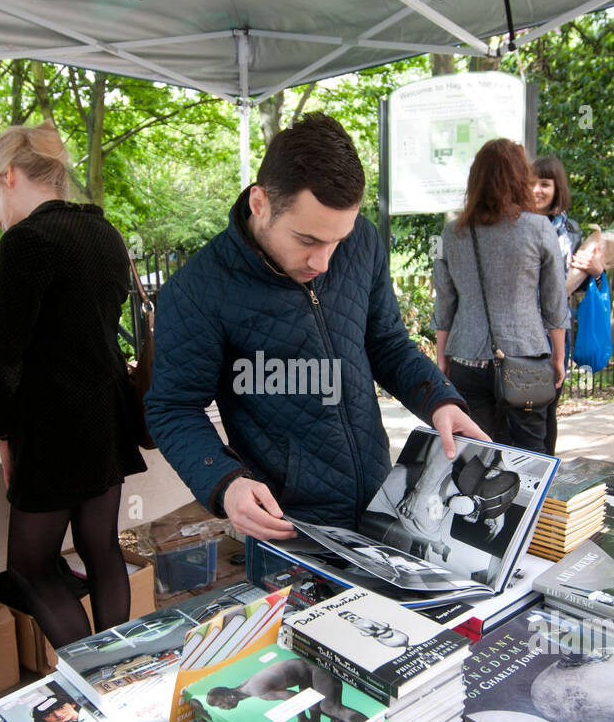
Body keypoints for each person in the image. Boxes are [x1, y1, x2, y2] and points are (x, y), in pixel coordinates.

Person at [145, 113, 483, 540]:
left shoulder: (362, 240)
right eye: (307, 240)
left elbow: (387, 343)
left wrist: (439, 400)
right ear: (259, 204)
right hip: (290, 527)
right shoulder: (196, 290)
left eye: (336, 241)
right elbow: (172, 408)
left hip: (382, 506)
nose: (322, 263)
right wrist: (226, 483)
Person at [0, 122, 146, 648]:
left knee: (30, 568)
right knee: (101, 549)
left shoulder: (25, 241)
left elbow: (0, 363)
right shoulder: (106, 233)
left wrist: (2, 437)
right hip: (106, 419)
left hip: (51, 431)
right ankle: (122, 675)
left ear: (8, 176)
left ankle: (96, 680)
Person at [433, 139, 568, 452]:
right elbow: (554, 303)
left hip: (466, 361)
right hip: (527, 359)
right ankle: (529, 502)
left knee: (479, 453)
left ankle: (484, 503)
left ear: (475, 180)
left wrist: (442, 358)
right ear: (522, 178)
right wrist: (559, 357)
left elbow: (445, 304)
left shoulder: (452, 234)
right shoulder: (539, 228)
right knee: (532, 453)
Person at [532, 156, 607, 455]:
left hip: (556, 335)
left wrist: (596, 270)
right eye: (531, 183)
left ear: (557, 187)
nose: (536, 190)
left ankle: (543, 482)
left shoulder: (572, 231)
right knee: (522, 417)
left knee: (548, 415)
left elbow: (581, 285)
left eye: (544, 184)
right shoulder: (513, 225)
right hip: (520, 335)